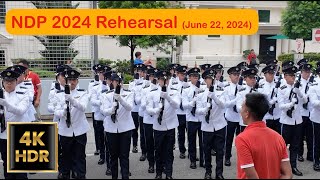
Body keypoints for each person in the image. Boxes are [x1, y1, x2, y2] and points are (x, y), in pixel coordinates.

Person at [235, 92, 292, 179]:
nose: (240, 111)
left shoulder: (242, 139)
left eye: (242, 107)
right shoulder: (278, 137)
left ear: (247, 113)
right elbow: (288, 175)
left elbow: (252, 177)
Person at [53, 69, 90, 179]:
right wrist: (63, 112)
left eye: (74, 80)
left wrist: (71, 99)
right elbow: (55, 110)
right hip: (65, 131)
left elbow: (83, 107)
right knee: (65, 157)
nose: (72, 82)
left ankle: (81, 176)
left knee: (80, 157)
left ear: (77, 81)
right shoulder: (59, 94)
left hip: (79, 130)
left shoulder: (82, 93)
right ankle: (65, 175)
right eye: (69, 80)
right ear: (65, 81)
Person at [146, 70, 180, 179]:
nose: (164, 82)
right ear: (158, 80)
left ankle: (169, 174)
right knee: (159, 151)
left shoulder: (174, 91)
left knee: (169, 151)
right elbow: (148, 109)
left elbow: (177, 105)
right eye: (161, 79)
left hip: (170, 126)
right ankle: (159, 173)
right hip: (158, 126)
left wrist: (168, 97)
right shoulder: (152, 92)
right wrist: (156, 110)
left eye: (166, 79)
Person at [100, 73, 135, 179]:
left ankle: (125, 176)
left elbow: (130, 107)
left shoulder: (129, 93)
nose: (118, 83)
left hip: (125, 128)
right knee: (113, 157)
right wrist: (111, 110)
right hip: (111, 129)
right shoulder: (106, 95)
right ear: (112, 82)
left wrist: (120, 99)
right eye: (116, 81)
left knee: (124, 156)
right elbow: (103, 111)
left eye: (120, 81)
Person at [197, 69, 227, 179]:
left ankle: (219, 173)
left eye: (211, 78)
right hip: (207, 126)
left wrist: (214, 96)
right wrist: (204, 110)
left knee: (220, 151)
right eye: (208, 78)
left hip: (219, 125)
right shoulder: (200, 92)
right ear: (205, 80)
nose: (210, 80)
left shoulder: (220, 90)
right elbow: (197, 110)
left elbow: (223, 105)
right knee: (207, 150)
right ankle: (208, 172)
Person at [278, 66, 307, 176]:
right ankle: (281, 167)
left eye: (294, 75)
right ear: (285, 76)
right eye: (291, 75)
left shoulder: (298, 87)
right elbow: (280, 106)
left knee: (295, 146)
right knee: (283, 147)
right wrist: (291, 104)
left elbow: (305, 100)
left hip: (297, 121)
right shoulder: (281, 89)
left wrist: (298, 92)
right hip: (286, 122)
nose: (293, 78)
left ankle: (293, 166)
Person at [0, 69, 29, 179]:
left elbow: (21, 111)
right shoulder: (0, 94)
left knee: (20, 164)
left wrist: (5, 104)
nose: (8, 83)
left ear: (16, 81)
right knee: (7, 163)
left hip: (19, 134)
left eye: (11, 81)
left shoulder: (23, 94)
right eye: (6, 81)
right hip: (3, 134)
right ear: (3, 82)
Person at [182, 67, 204, 169]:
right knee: (191, 141)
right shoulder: (186, 90)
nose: (196, 78)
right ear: (189, 78)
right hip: (191, 118)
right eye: (193, 76)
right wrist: (193, 101)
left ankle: (203, 160)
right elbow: (184, 105)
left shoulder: (202, 89)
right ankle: (192, 160)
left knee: (203, 141)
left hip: (201, 118)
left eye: (197, 76)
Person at [223, 66, 243, 166]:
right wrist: (237, 99)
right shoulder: (226, 88)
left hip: (240, 118)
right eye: (234, 75)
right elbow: (226, 104)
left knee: (241, 140)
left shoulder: (243, 87)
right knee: (229, 139)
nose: (236, 76)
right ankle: (227, 157)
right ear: (230, 76)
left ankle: (241, 158)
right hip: (230, 117)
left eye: (238, 74)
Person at [297, 63, 314, 162]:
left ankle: (310, 154)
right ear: (302, 72)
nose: (308, 74)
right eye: (306, 72)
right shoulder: (298, 82)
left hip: (310, 112)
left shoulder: (313, 82)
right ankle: (299, 153)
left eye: (309, 72)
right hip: (301, 112)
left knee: (310, 135)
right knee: (300, 135)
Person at [257, 64, 281, 134]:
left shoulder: (279, 85)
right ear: (265, 75)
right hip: (267, 117)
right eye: (269, 73)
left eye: (273, 73)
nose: (271, 75)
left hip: (277, 116)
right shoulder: (261, 86)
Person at [308, 66, 320, 171]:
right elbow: (314, 103)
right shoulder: (314, 86)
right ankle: (316, 161)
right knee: (317, 141)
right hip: (317, 118)